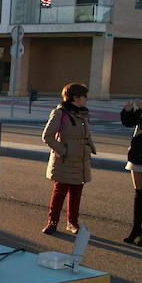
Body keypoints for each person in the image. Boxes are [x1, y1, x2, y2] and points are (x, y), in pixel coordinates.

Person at [41, 83, 96, 235]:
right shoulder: (60, 113)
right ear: (75, 98)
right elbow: (47, 136)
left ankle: (72, 223)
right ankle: (52, 222)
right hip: (64, 160)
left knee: (76, 193)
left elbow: (86, 135)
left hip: (80, 160)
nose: (86, 99)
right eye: (84, 96)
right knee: (60, 193)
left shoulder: (82, 114)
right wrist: (63, 151)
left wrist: (90, 147)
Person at [119, 75, 142, 246]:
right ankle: (136, 228)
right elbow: (129, 123)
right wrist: (128, 111)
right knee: (139, 192)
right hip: (137, 154)